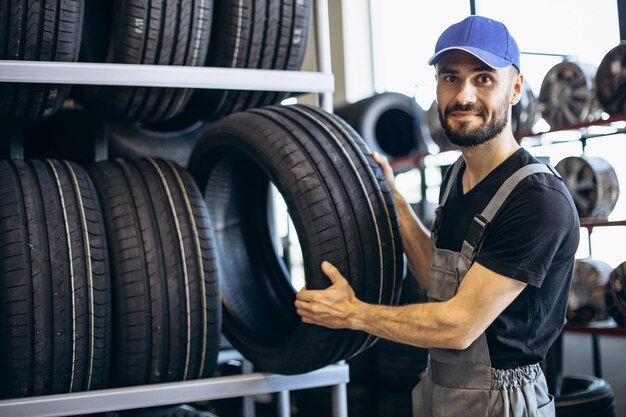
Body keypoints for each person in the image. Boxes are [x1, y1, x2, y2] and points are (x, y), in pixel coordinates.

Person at [295, 15, 580, 417]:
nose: (463, 95)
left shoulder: (536, 199)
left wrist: (351, 313)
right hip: (438, 386)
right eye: (450, 78)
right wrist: (392, 196)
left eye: (483, 78)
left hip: (502, 398)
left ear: (515, 88)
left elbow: (459, 326)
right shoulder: (457, 176)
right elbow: (435, 277)